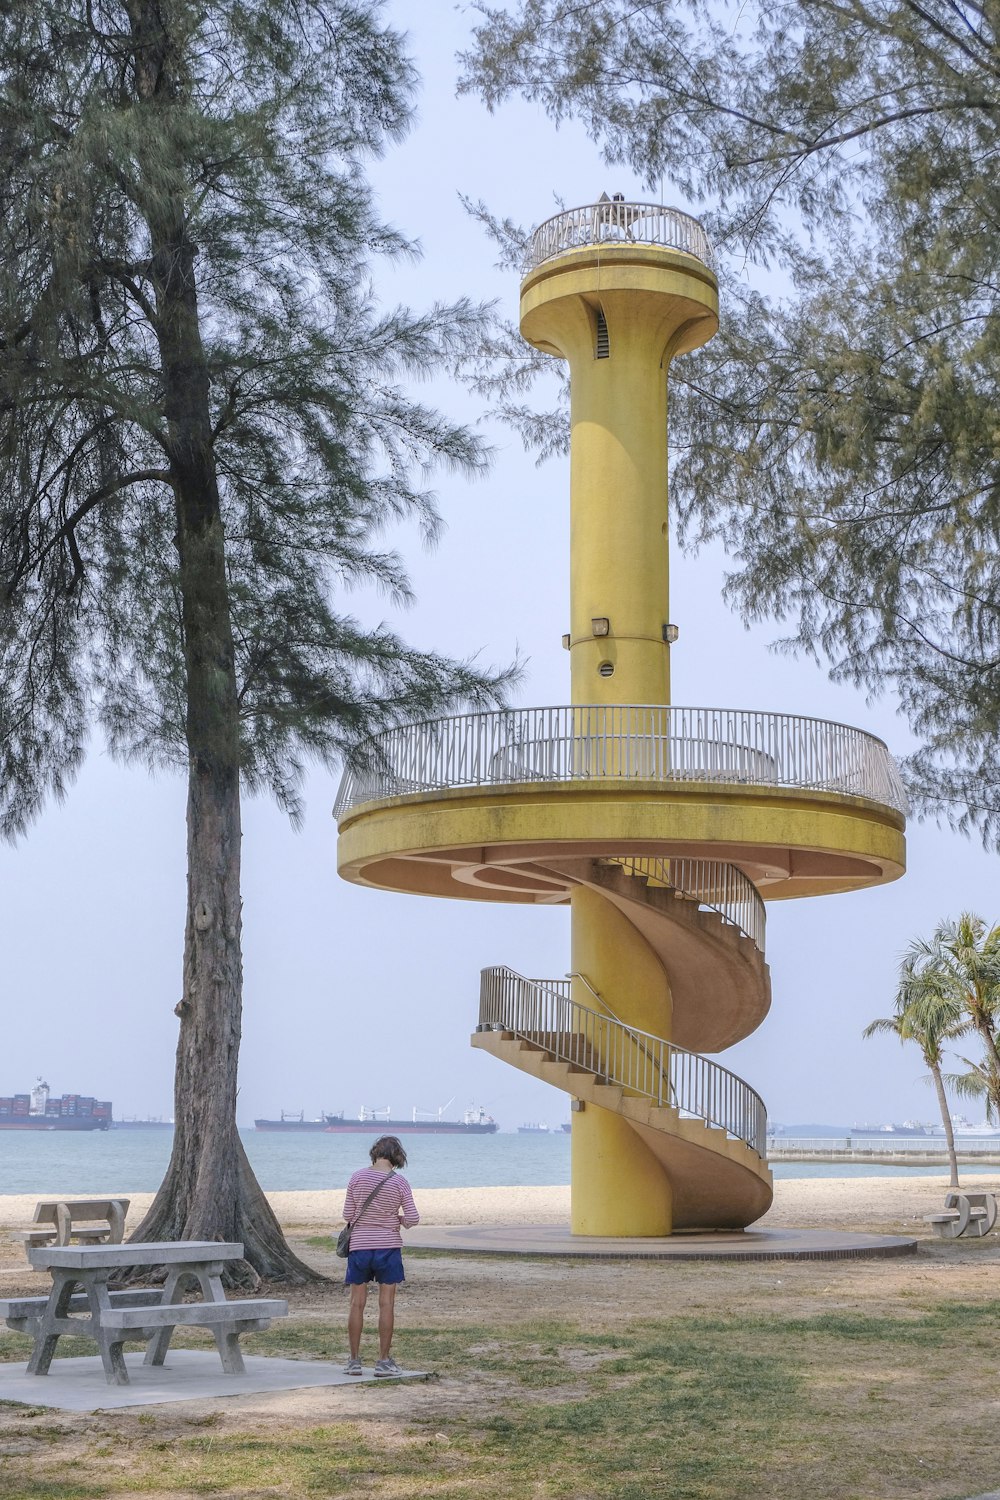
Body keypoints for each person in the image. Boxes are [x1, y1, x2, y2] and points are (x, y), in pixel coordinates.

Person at [341, 1134, 420, 1377]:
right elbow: (413, 1218)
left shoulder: (357, 1177)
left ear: (375, 1154)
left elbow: (347, 1214)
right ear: (397, 1158)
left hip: (360, 1247)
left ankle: (354, 1361)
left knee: (357, 1304)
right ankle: (383, 1361)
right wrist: (397, 1219)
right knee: (386, 1305)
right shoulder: (400, 1183)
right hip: (388, 1247)